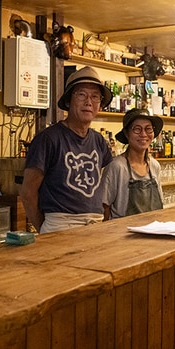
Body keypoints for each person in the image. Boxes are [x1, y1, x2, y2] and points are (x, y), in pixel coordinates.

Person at [20, 66, 113, 233]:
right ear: (69, 101)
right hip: (61, 224)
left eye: (95, 96)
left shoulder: (98, 140)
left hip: (95, 225)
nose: (88, 102)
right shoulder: (48, 139)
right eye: (82, 94)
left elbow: (106, 187)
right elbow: (28, 193)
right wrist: (46, 231)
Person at [100, 108, 164, 220]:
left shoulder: (155, 166)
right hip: (123, 232)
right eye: (137, 129)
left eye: (148, 129)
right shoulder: (116, 167)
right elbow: (104, 208)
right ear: (126, 133)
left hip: (153, 230)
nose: (143, 134)